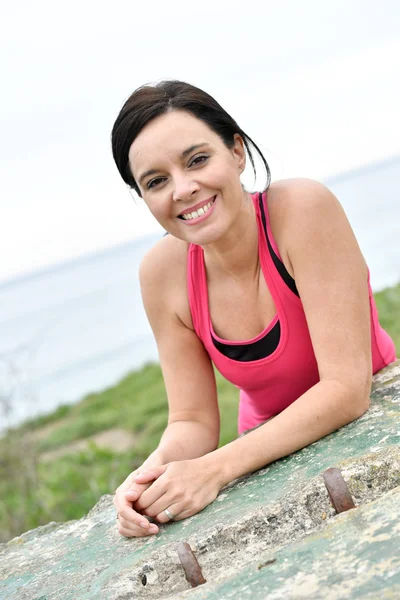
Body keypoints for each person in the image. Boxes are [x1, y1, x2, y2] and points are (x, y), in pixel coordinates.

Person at [110, 80, 396, 538]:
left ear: (237, 152)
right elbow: (193, 421)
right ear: (143, 197)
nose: (183, 189)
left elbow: (346, 388)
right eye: (156, 181)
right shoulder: (160, 274)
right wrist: (148, 477)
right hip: (263, 449)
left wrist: (215, 469)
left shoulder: (302, 210)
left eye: (197, 159)